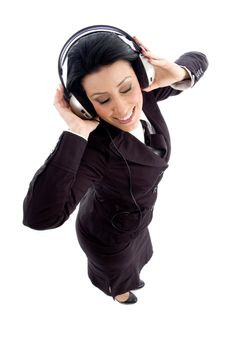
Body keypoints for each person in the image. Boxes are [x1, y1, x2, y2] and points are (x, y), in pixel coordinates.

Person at [23, 25, 208, 304]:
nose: (122, 109)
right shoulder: (96, 149)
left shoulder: (147, 93)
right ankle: (117, 293)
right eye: (102, 100)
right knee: (117, 273)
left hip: (137, 221)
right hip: (107, 235)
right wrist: (76, 132)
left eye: (126, 88)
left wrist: (178, 73)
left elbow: (198, 58)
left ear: (142, 75)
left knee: (140, 255)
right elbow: (39, 217)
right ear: (82, 104)